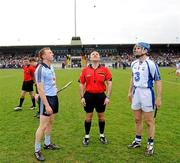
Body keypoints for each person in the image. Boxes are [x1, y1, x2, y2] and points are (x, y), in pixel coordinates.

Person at [127, 42, 162, 156]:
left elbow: (158, 80)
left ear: (145, 50)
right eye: (135, 48)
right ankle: (137, 141)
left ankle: (150, 144)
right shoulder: (133, 63)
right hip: (136, 92)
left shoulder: (151, 64)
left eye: (138, 48)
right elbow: (132, 78)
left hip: (147, 93)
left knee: (149, 121)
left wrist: (158, 97)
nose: (136, 50)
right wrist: (129, 91)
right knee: (137, 119)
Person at [79, 51, 112, 146]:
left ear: (99, 57)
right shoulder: (85, 70)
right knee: (88, 117)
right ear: (90, 57)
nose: (95, 55)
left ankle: (102, 135)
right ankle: (86, 136)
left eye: (97, 54)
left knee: (101, 117)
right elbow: (81, 83)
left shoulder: (105, 70)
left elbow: (109, 83)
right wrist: (82, 97)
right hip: (88, 96)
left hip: (101, 96)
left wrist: (107, 97)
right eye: (93, 54)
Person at [34, 47, 60, 161]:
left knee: (50, 122)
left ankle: (47, 143)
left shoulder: (51, 67)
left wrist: (55, 89)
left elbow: (53, 81)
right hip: (46, 100)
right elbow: (40, 89)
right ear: (43, 56)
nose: (52, 54)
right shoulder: (40, 69)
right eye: (50, 53)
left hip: (54, 97)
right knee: (43, 125)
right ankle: (37, 150)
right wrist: (47, 105)